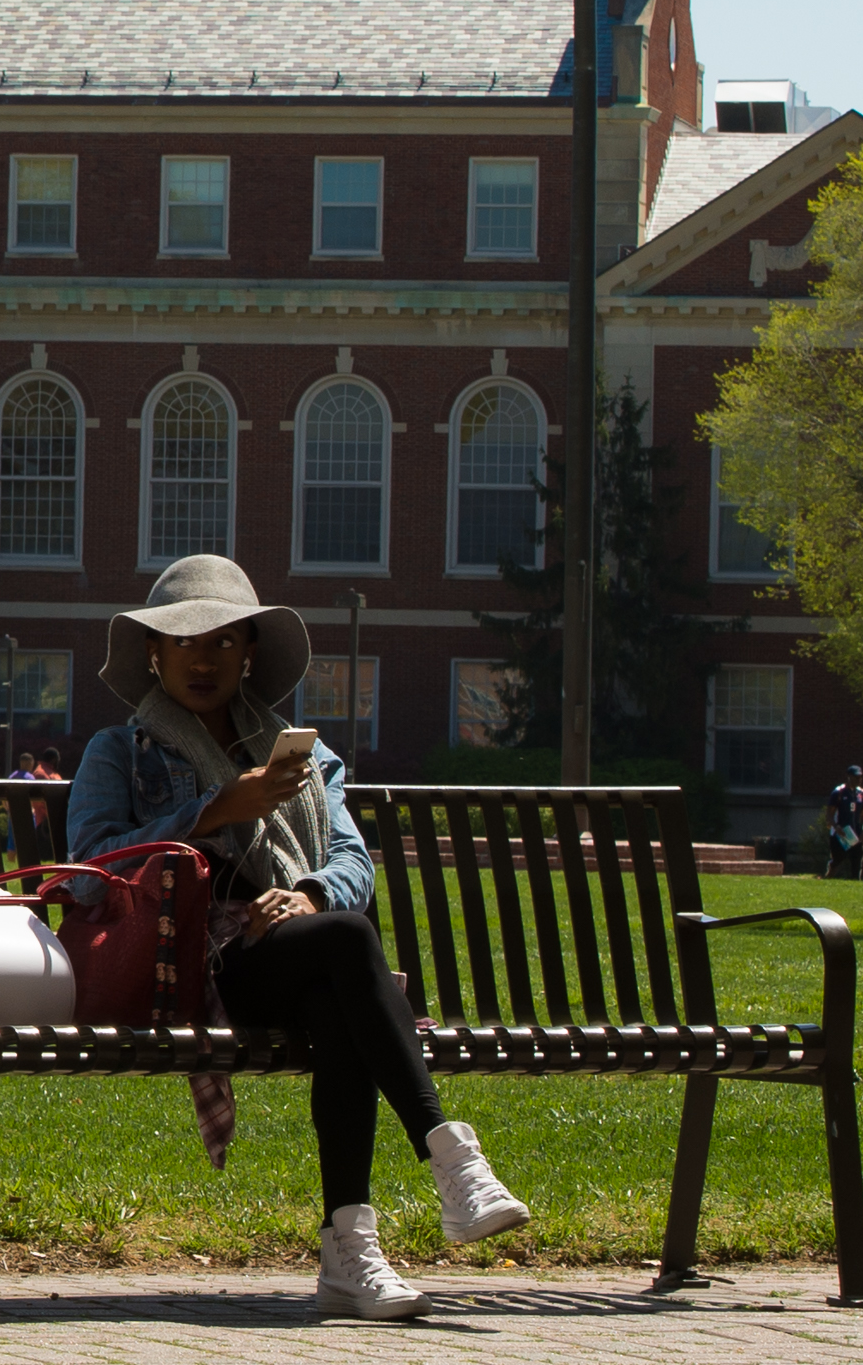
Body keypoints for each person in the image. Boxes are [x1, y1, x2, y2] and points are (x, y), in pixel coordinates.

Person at [65, 554, 531, 1323]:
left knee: (336, 988)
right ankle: (449, 1162)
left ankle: (353, 1251)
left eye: (223, 641)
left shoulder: (302, 754)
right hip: (195, 964)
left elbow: (349, 857)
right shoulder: (120, 753)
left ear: (250, 653)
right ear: (154, 654)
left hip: (296, 952)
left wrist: (305, 893)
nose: (204, 658)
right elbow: (90, 875)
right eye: (185, 642)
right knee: (348, 948)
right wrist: (215, 811)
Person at [822, 766, 863, 879]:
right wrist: (836, 826)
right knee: (838, 859)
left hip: (855, 832)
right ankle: (829, 875)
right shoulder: (838, 792)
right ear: (849, 777)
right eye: (856, 777)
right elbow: (829, 814)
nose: (859, 779)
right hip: (840, 832)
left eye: (860, 777)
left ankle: (855, 883)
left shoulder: (862, 794)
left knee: (857, 859)